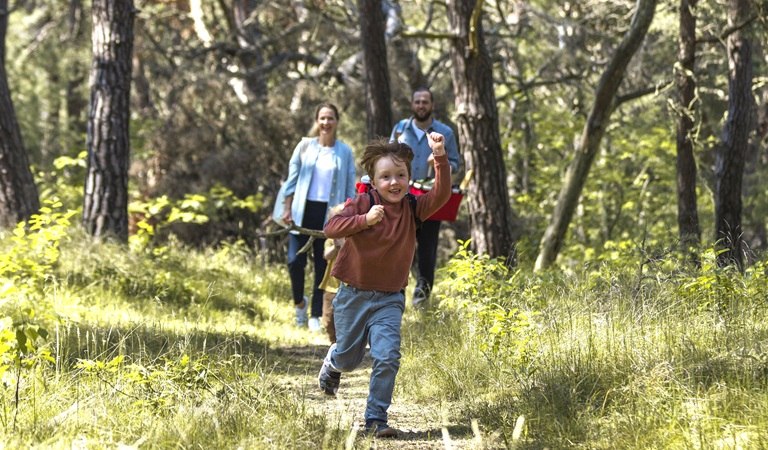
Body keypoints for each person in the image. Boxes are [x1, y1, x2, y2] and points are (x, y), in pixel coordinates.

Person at [317, 132, 451, 438]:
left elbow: (441, 195)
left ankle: (375, 417)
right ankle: (334, 361)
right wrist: (364, 220)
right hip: (353, 293)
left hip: (390, 298)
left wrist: (440, 155)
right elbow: (330, 228)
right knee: (349, 359)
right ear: (374, 181)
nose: (394, 183)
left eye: (400, 176)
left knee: (387, 355)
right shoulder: (363, 202)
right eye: (386, 177)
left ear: (409, 177)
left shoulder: (413, 208)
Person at [279, 103, 357, 330]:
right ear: (317, 121)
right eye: (322, 118)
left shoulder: (344, 151)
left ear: (337, 122)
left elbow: (350, 189)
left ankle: (314, 314)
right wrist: (287, 207)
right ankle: (299, 303)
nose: (326, 123)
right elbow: (291, 181)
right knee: (295, 261)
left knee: (323, 265)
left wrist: (349, 216)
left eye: (330, 118)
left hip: (330, 215)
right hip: (302, 212)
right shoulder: (304, 147)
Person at [389, 87, 460, 307]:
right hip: (403, 199)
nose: (421, 105)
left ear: (432, 105)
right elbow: (389, 159)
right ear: (412, 105)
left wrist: (440, 160)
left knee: (428, 248)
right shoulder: (400, 129)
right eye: (417, 101)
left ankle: (422, 297)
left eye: (425, 102)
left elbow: (456, 164)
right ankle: (397, 291)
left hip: (431, 200)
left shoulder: (445, 133)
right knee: (401, 244)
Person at [318, 204, 345, 344]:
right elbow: (326, 256)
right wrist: (336, 246)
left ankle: (343, 345)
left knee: (346, 319)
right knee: (328, 319)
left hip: (348, 287)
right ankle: (333, 343)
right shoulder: (330, 240)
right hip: (331, 286)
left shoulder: (354, 239)